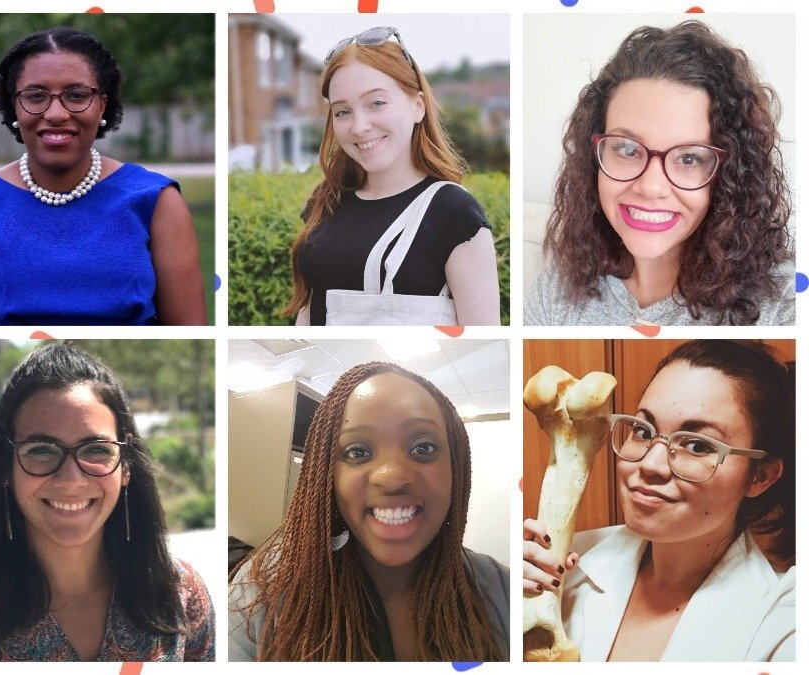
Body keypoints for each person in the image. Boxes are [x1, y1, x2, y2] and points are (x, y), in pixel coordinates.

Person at [0, 343, 214, 661]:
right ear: (6, 468)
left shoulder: (180, 592)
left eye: (96, 449)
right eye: (42, 450)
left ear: (125, 467)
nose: (71, 479)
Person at [523, 340, 795, 661]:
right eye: (643, 431)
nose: (650, 464)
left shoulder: (783, 623)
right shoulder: (564, 564)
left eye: (697, 446)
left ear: (760, 476)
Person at [0, 27, 206, 326]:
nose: (56, 113)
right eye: (35, 96)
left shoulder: (157, 201)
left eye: (76, 95)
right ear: (14, 107)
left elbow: (190, 328)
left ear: (102, 105)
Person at [229, 361, 508, 661]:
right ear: (327, 476)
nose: (391, 477)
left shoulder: (500, 589)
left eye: (423, 448)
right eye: (358, 452)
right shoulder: (262, 592)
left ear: (457, 470)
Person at [525, 21, 794, 325]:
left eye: (690, 158)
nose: (651, 187)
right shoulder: (555, 291)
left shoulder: (783, 307)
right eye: (627, 149)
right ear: (593, 157)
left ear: (731, 174)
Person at [282, 27, 499, 326]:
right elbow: (310, 310)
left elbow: (483, 329)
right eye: (342, 112)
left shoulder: (453, 212)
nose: (359, 126)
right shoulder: (326, 200)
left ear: (417, 106)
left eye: (377, 103)